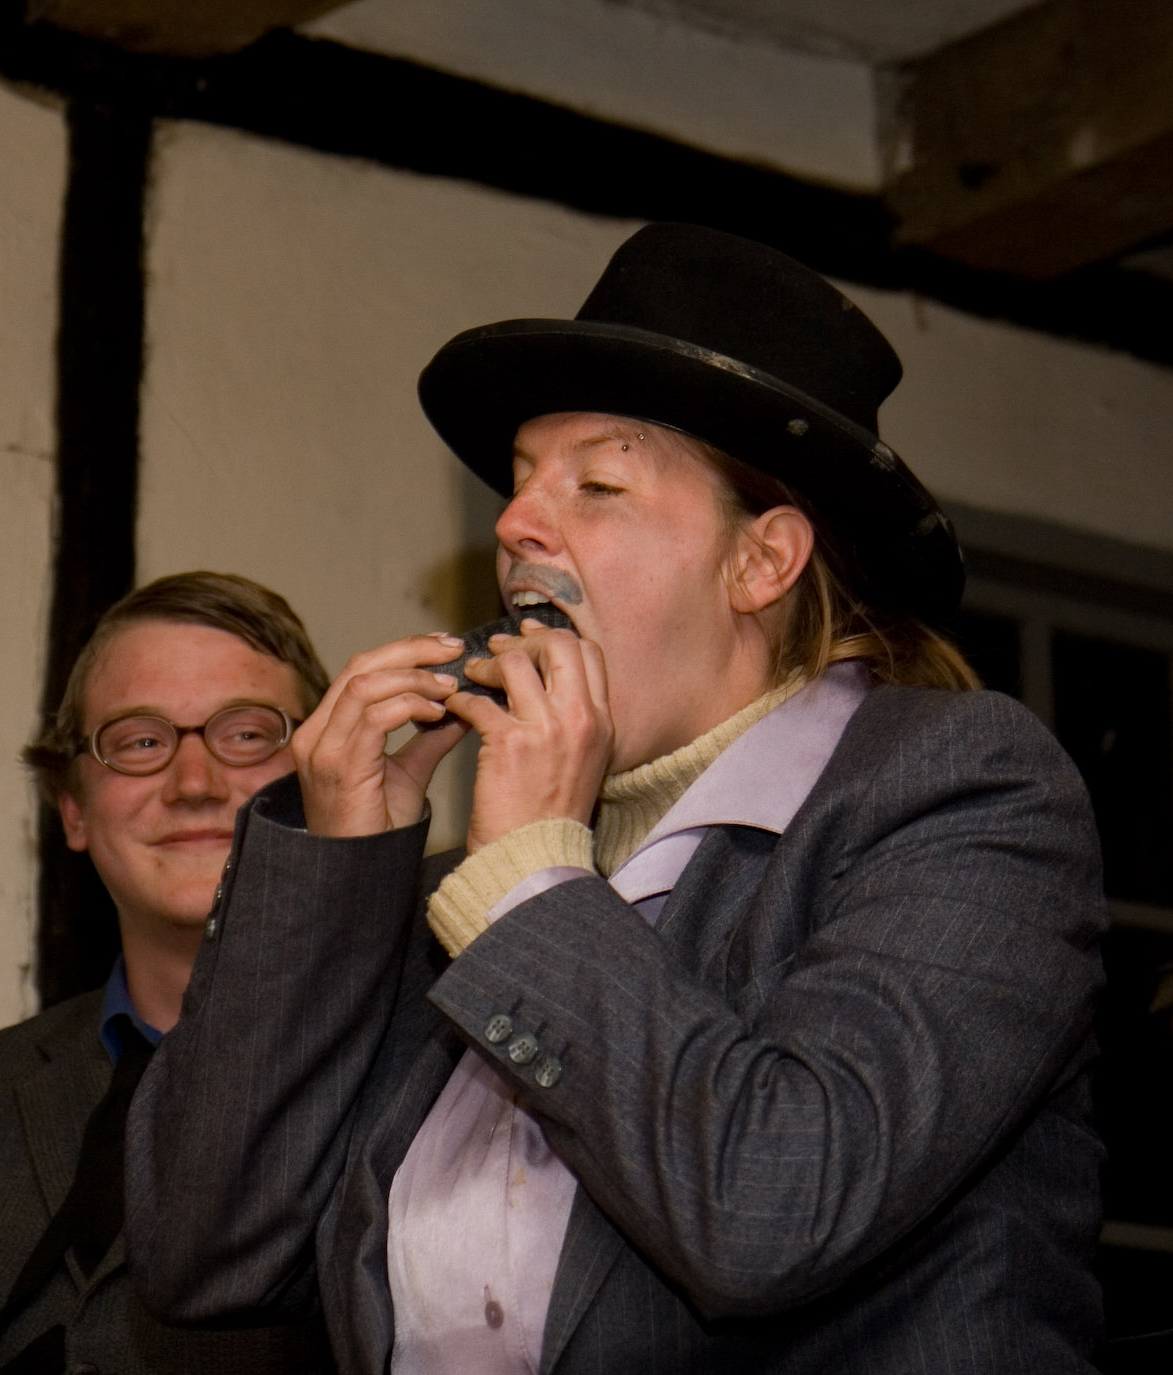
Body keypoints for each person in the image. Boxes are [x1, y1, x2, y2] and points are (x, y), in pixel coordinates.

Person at [127, 225, 1108, 1373]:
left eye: (596, 484)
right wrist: (342, 874)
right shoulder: (474, 886)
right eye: (520, 479)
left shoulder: (962, 789)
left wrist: (529, 882)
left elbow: (771, 1209)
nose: (513, 524)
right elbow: (205, 1252)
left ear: (761, 561)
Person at [0, 571, 335, 1374]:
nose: (194, 784)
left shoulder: (428, 1064)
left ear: (324, 777)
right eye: (140, 742)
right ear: (74, 811)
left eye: (245, 734)